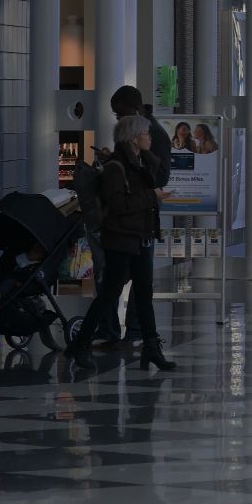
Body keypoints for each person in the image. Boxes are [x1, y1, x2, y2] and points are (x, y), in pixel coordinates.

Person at [66, 115, 173, 371]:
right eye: (146, 134)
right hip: (121, 239)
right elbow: (119, 205)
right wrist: (152, 196)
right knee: (110, 292)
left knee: (144, 294)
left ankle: (151, 347)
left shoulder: (138, 163)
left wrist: (150, 185)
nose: (150, 137)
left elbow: (152, 179)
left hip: (141, 237)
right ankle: (80, 343)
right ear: (135, 138)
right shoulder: (116, 167)